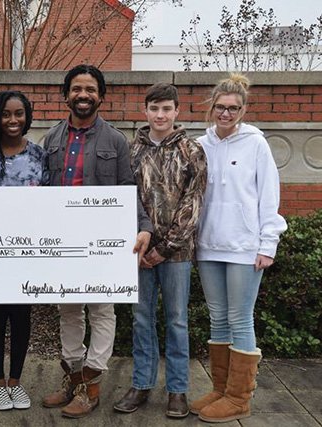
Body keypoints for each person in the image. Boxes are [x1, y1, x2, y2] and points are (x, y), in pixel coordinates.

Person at [40, 64, 153, 419]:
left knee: (102, 311)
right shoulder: (52, 139)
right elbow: (39, 193)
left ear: (101, 96)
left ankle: (91, 385)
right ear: (66, 95)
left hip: (102, 242)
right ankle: (72, 377)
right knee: (68, 310)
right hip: (62, 239)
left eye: (90, 89)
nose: (83, 95)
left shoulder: (116, 140)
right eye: (77, 89)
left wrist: (144, 226)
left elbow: (127, 188)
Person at [191, 73, 287, 423]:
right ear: (211, 108)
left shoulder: (256, 144)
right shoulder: (201, 145)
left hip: (245, 248)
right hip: (209, 246)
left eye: (233, 108)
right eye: (220, 107)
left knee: (240, 318)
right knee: (218, 319)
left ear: (243, 109)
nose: (226, 114)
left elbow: (269, 197)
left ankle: (239, 398)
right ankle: (220, 389)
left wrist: (268, 243)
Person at [113, 83, 207, 418]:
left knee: (177, 321)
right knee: (141, 319)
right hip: (138, 251)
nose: (160, 115)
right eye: (154, 108)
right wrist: (144, 245)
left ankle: (178, 390)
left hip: (176, 255)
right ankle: (141, 384)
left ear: (177, 111)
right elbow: (124, 199)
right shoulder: (131, 150)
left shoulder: (191, 150)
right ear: (145, 111)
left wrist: (164, 249)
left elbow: (192, 205)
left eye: (167, 109)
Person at [0, 90, 48, 411]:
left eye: (19, 113)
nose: (13, 120)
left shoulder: (39, 157)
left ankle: (16, 382)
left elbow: (49, 205)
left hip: (27, 251)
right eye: (6, 114)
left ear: (27, 116)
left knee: (21, 316)